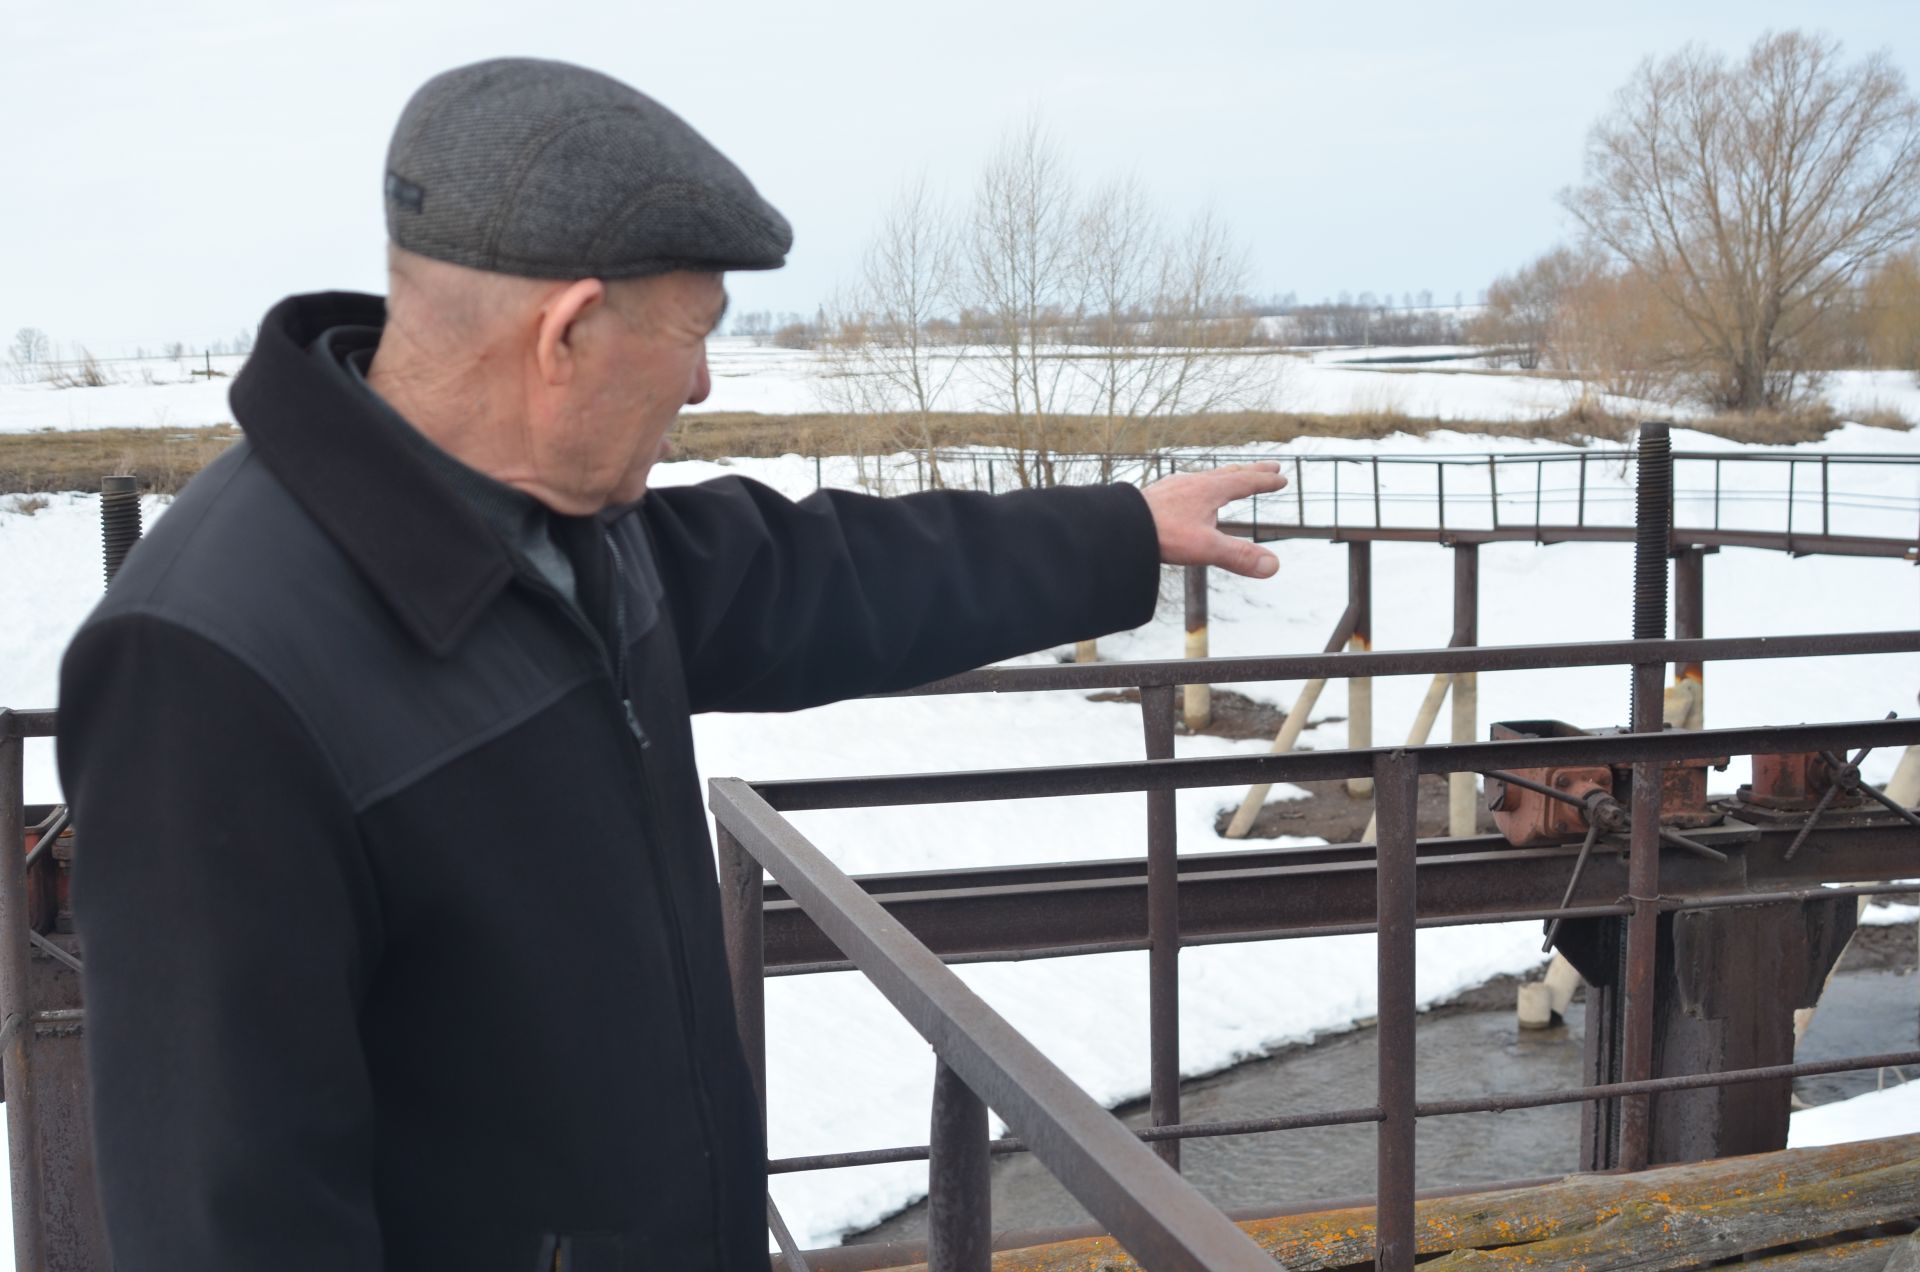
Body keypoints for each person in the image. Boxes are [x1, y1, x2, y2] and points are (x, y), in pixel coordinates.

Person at [56, 58, 1284, 1271]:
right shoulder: (212, 667)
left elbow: (820, 577)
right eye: (694, 334)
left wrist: (1115, 533)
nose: (701, 383)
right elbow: (229, 1218)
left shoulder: (557, 531)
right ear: (568, 332)